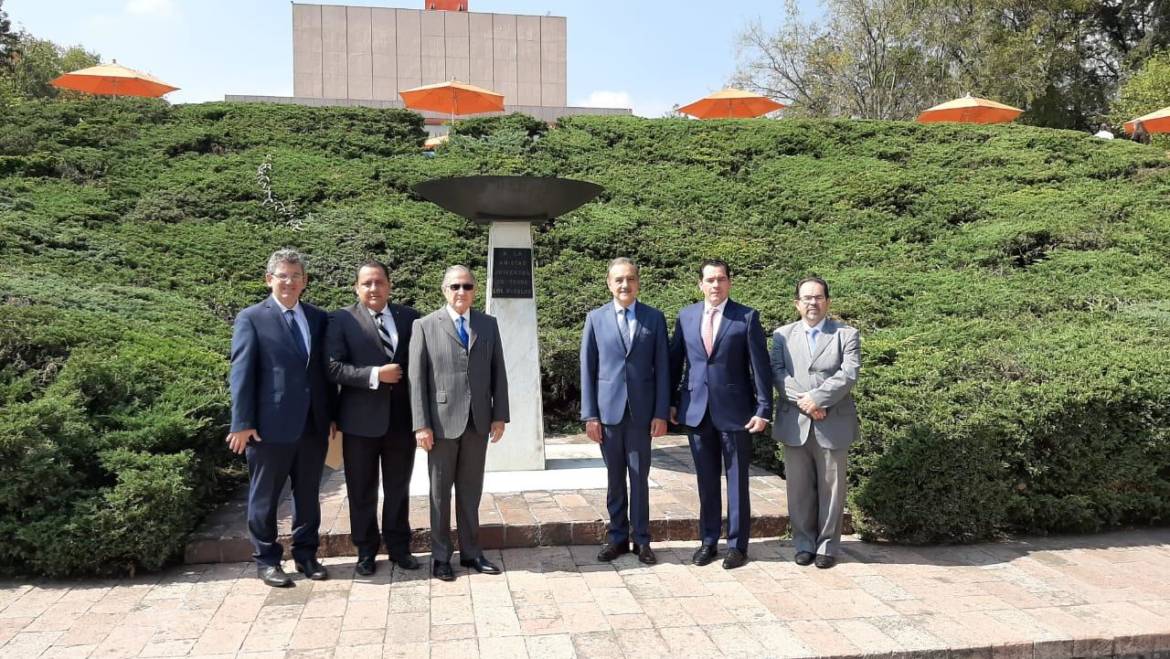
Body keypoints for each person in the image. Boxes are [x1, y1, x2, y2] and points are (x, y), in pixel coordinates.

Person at [227, 248, 336, 587]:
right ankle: (267, 560)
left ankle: (306, 554)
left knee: (308, 496)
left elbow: (322, 373)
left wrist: (330, 415)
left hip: (312, 425)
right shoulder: (252, 318)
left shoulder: (318, 318)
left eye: (295, 276)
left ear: (304, 282)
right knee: (265, 497)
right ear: (269, 279)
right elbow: (241, 373)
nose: (289, 282)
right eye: (283, 275)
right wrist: (242, 422)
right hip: (268, 428)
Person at [669, 259, 772, 569]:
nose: (716, 285)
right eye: (710, 280)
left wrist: (764, 408)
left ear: (730, 283)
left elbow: (760, 367)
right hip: (696, 411)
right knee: (706, 480)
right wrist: (671, 403)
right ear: (700, 284)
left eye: (721, 279)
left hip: (736, 412)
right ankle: (709, 541)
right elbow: (676, 363)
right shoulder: (686, 317)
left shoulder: (746, 317)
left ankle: (738, 546)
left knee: (738, 479)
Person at [409, 265, 509, 582]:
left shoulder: (488, 325)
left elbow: (499, 373)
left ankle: (471, 552)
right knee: (440, 493)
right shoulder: (424, 326)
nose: (461, 292)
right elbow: (416, 379)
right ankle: (440, 557)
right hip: (439, 425)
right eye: (455, 286)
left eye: (466, 286)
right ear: (444, 290)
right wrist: (420, 424)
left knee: (470, 492)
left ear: (474, 291)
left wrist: (499, 415)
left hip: (477, 422)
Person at [325, 261, 420, 576]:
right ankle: (365, 550)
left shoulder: (410, 318)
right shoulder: (340, 320)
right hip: (359, 423)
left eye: (379, 282)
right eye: (366, 283)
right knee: (361, 490)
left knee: (397, 488)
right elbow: (333, 367)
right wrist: (376, 375)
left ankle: (398, 547)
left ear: (389, 285)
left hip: (400, 421)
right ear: (356, 287)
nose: (373, 288)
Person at [580, 257, 670, 565]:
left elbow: (663, 370)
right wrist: (590, 415)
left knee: (639, 477)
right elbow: (588, 369)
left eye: (630, 279)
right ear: (609, 283)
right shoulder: (595, 319)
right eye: (618, 279)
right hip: (608, 414)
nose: (624, 285)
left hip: (642, 414)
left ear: (638, 283)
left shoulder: (654, 319)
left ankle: (642, 540)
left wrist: (660, 412)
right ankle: (617, 538)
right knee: (615, 478)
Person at [770, 276, 860, 570]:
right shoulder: (782, 335)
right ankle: (804, 544)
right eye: (806, 298)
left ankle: (827, 546)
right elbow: (778, 373)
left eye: (818, 297)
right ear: (797, 303)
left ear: (827, 302)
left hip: (832, 422)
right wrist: (805, 402)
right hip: (795, 422)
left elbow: (849, 374)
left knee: (832, 489)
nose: (812, 303)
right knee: (798, 489)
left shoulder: (846, 334)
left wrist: (818, 400)